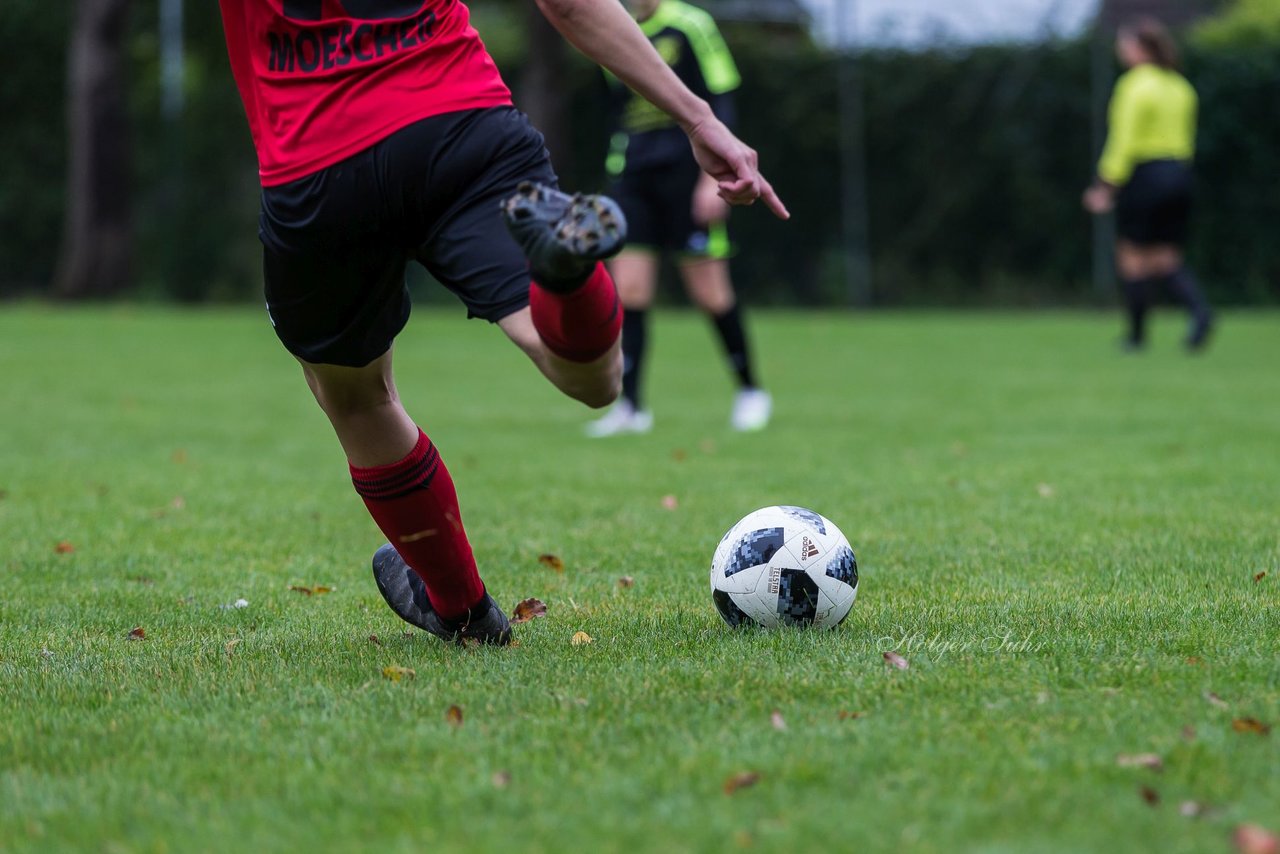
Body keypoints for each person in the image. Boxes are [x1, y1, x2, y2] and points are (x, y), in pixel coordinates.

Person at [215, 0, 787, 645]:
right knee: (594, 380)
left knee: (356, 397)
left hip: (319, 158)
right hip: (462, 127)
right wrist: (699, 118)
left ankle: (461, 610)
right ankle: (563, 274)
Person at [585, 0, 772, 437]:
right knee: (628, 289)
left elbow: (721, 98)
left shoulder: (690, 24)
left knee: (710, 292)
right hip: (633, 178)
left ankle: (750, 392)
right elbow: (616, 114)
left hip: (688, 175)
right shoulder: (611, 32)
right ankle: (631, 407)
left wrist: (714, 177)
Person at [1083, 17, 1213, 352]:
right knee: (1165, 257)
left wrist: (1106, 184)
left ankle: (1136, 336)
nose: (1121, 52)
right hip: (1180, 174)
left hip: (1145, 174)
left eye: (1124, 46)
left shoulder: (1135, 85)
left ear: (1140, 50)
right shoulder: (1180, 87)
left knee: (1132, 256)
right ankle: (1200, 311)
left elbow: (1123, 140)